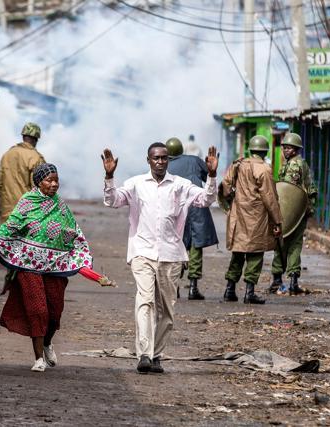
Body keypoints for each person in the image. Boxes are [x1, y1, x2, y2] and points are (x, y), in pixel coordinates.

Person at [0, 163, 114, 372]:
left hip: (55, 266)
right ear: (39, 182)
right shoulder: (27, 203)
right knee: (37, 309)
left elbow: (75, 233)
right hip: (28, 265)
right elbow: (9, 228)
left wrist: (83, 261)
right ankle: (38, 358)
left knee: (55, 312)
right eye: (50, 180)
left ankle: (47, 342)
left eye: (57, 180)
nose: (54, 184)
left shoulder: (61, 206)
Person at [102, 143, 218, 374]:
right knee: (144, 301)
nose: (160, 162)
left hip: (171, 255)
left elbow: (206, 199)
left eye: (164, 158)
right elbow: (112, 200)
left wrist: (212, 175)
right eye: (156, 158)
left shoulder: (181, 185)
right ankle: (144, 353)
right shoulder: (136, 184)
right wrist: (109, 175)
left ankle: (156, 355)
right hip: (142, 253)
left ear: (168, 160)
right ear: (148, 160)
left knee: (166, 309)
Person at [220, 135, 283, 304]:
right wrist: (277, 221)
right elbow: (269, 197)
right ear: (265, 151)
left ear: (251, 150)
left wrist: (230, 201)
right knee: (255, 254)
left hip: (238, 214)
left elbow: (225, 187)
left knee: (238, 253)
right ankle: (249, 293)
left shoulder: (238, 164)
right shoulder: (264, 169)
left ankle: (229, 290)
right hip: (257, 217)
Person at [166, 137, 219, 300]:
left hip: (176, 209)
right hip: (196, 206)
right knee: (196, 246)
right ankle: (193, 288)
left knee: (175, 247)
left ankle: (173, 286)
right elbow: (207, 176)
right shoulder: (194, 160)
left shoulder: (163, 166)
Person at [270, 132, 318, 296]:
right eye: (284, 147)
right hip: (297, 212)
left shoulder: (293, 165)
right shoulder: (297, 163)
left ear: (296, 149)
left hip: (291, 212)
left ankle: (279, 281)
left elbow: (288, 193)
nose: (285, 150)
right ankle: (292, 282)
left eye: (289, 148)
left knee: (284, 246)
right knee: (293, 246)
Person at [0, 122, 45, 223]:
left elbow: (0, 184)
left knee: (7, 238)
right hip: (27, 213)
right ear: (36, 139)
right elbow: (39, 189)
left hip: (7, 211)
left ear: (23, 136)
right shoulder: (36, 158)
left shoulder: (7, 154)